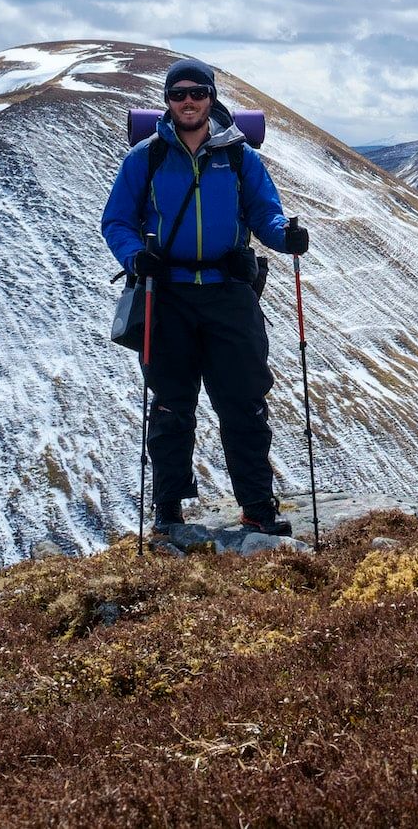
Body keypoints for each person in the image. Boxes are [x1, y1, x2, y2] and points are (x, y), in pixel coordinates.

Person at [101, 57, 308, 536]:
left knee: (244, 402)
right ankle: (169, 513)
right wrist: (135, 258)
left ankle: (257, 507)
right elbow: (116, 221)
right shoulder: (146, 158)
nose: (189, 101)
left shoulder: (239, 157)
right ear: (167, 102)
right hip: (166, 295)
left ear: (211, 97)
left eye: (198, 92)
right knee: (172, 407)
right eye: (179, 94)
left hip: (229, 293)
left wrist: (285, 236)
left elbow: (265, 214)